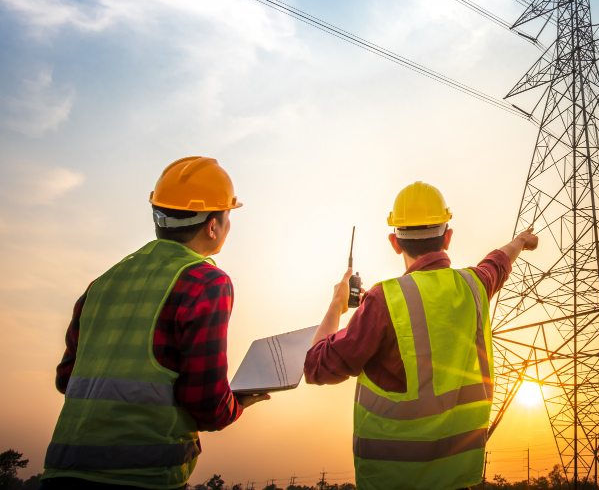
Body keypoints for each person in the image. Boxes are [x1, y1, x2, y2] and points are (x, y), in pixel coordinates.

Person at [41, 157, 269, 490]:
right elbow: (205, 402)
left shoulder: (102, 283)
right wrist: (236, 403)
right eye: (228, 215)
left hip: (62, 471)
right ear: (212, 226)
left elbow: (67, 379)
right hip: (140, 477)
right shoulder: (206, 282)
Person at [305, 181, 538, 490]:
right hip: (456, 479)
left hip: (391, 480)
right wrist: (521, 241)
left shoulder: (383, 300)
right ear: (448, 237)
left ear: (394, 242)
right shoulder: (474, 286)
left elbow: (317, 366)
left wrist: (337, 305)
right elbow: (497, 262)